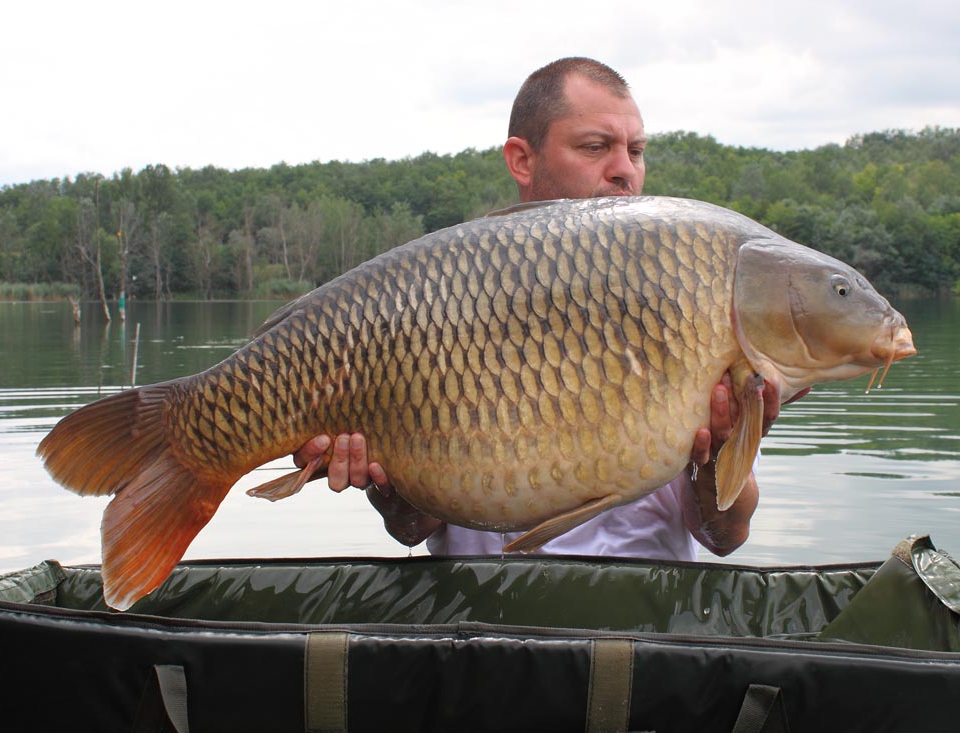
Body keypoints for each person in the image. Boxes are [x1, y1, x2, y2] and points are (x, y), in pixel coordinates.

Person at [294, 57, 802, 560]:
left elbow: (724, 537)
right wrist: (384, 485)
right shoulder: (439, 298)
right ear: (522, 159)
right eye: (596, 147)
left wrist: (719, 452)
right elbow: (412, 528)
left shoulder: (684, 298)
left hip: (642, 621)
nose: (625, 170)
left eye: (637, 150)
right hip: (479, 617)